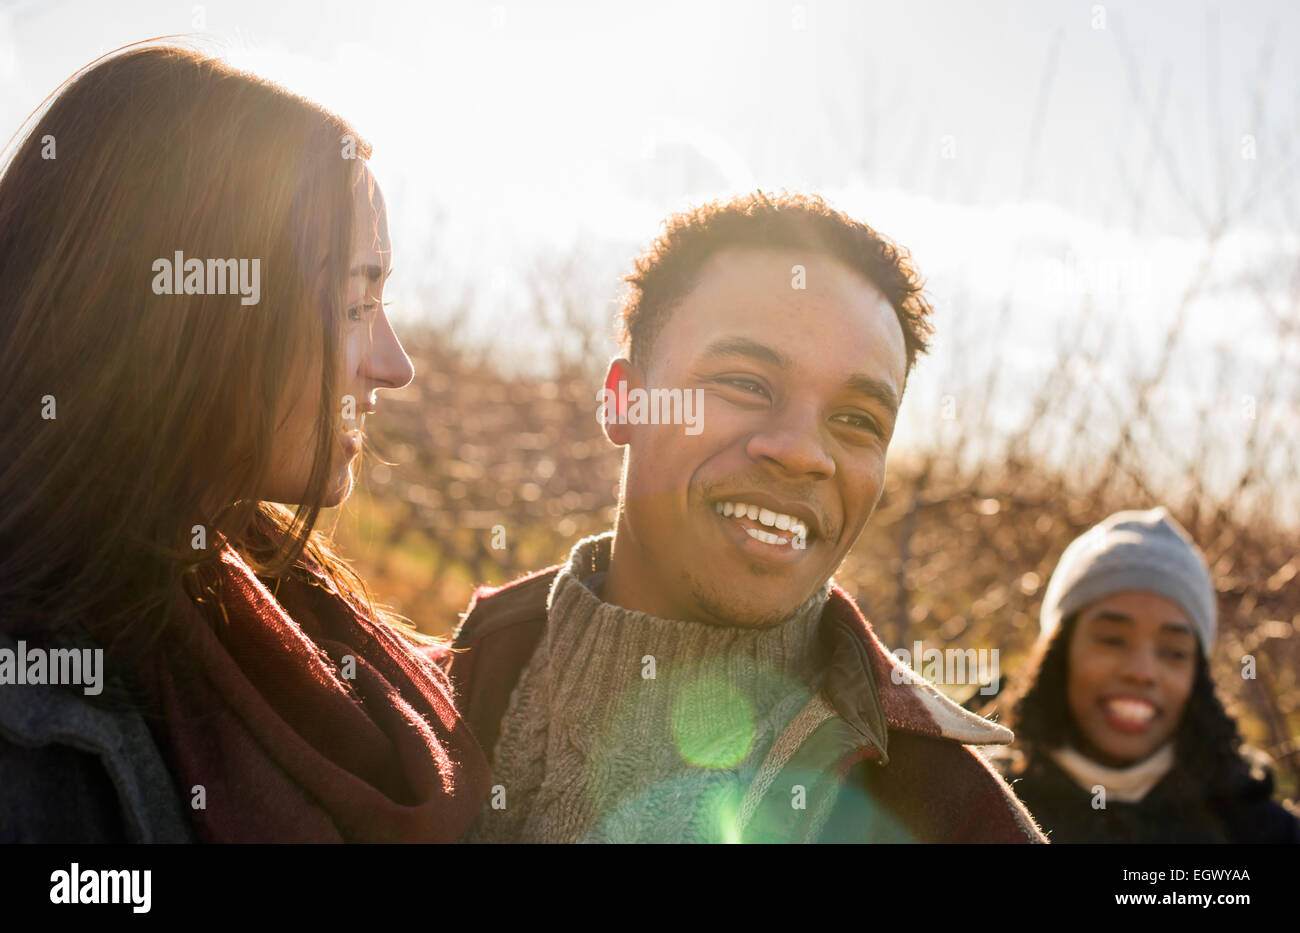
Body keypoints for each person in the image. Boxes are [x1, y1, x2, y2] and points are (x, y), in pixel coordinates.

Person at [440, 192, 1046, 843]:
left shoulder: (949, 817)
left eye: (857, 420)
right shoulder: (417, 705)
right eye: (746, 384)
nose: (802, 452)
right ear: (623, 402)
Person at [0, 43, 490, 842]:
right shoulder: (33, 725)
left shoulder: (291, 622)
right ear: (196, 313)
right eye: (358, 304)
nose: (394, 366)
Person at [989, 507, 1300, 843]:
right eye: (1111, 640)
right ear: (1058, 651)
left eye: (1174, 652)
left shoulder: (1264, 831)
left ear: (1197, 676)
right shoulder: (977, 806)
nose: (1141, 672)